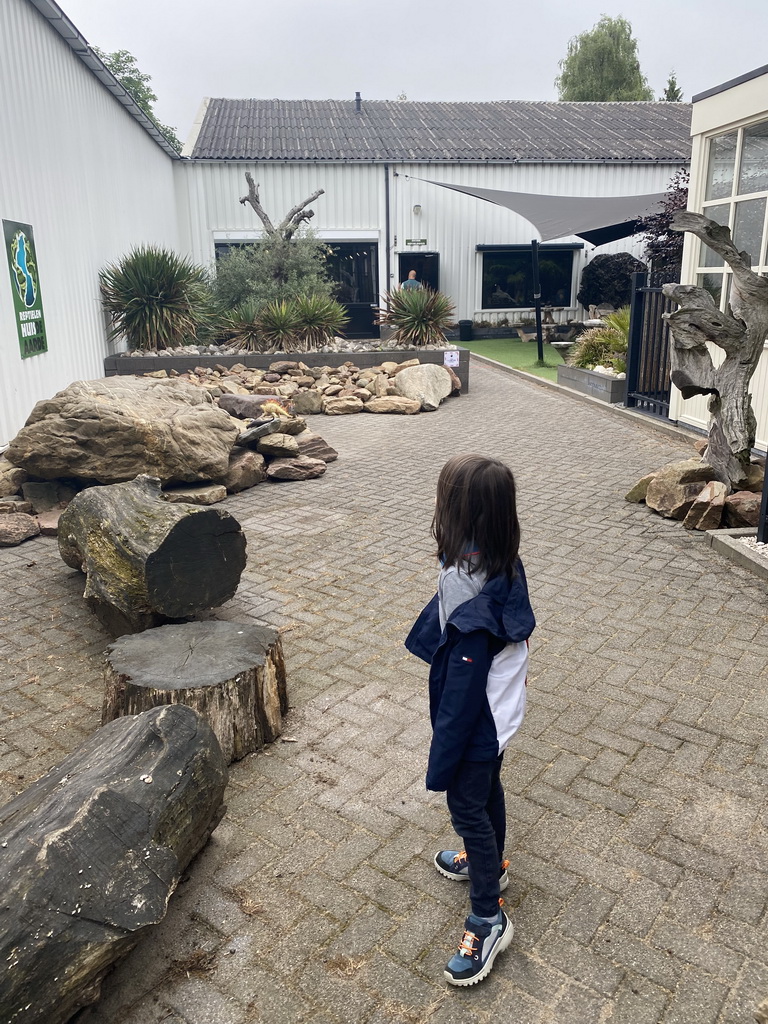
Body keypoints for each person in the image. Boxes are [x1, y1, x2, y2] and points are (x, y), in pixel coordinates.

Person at [405, 454, 535, 987]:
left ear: (458, 512)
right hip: (501, 711)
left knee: (466, 804)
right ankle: (492, 863)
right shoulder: (501, 557)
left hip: (478, 718)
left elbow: (460, 690)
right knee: (487, 789)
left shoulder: (467, 581)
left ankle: (488, 916)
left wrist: (443, 757)